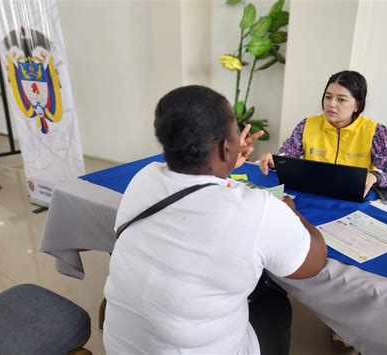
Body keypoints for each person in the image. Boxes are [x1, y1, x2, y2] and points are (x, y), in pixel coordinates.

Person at [103, 85, 327, 354]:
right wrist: (291, 211)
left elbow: (195, 187)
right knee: (273, 301)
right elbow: (313, 262)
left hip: (121, 348)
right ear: (224, 146)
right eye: (235, 132)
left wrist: (225, 161)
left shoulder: (144, 178)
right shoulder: (260, 210)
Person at [259, 70, 387, 196]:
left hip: (351, 202)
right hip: (310, 195)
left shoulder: (376, 133)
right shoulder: (306, 126)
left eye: (341, 99)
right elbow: (286, 159)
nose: (331, 104)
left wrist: (376, 176)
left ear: (357, 106)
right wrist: (274, 161)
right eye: (328, 97)